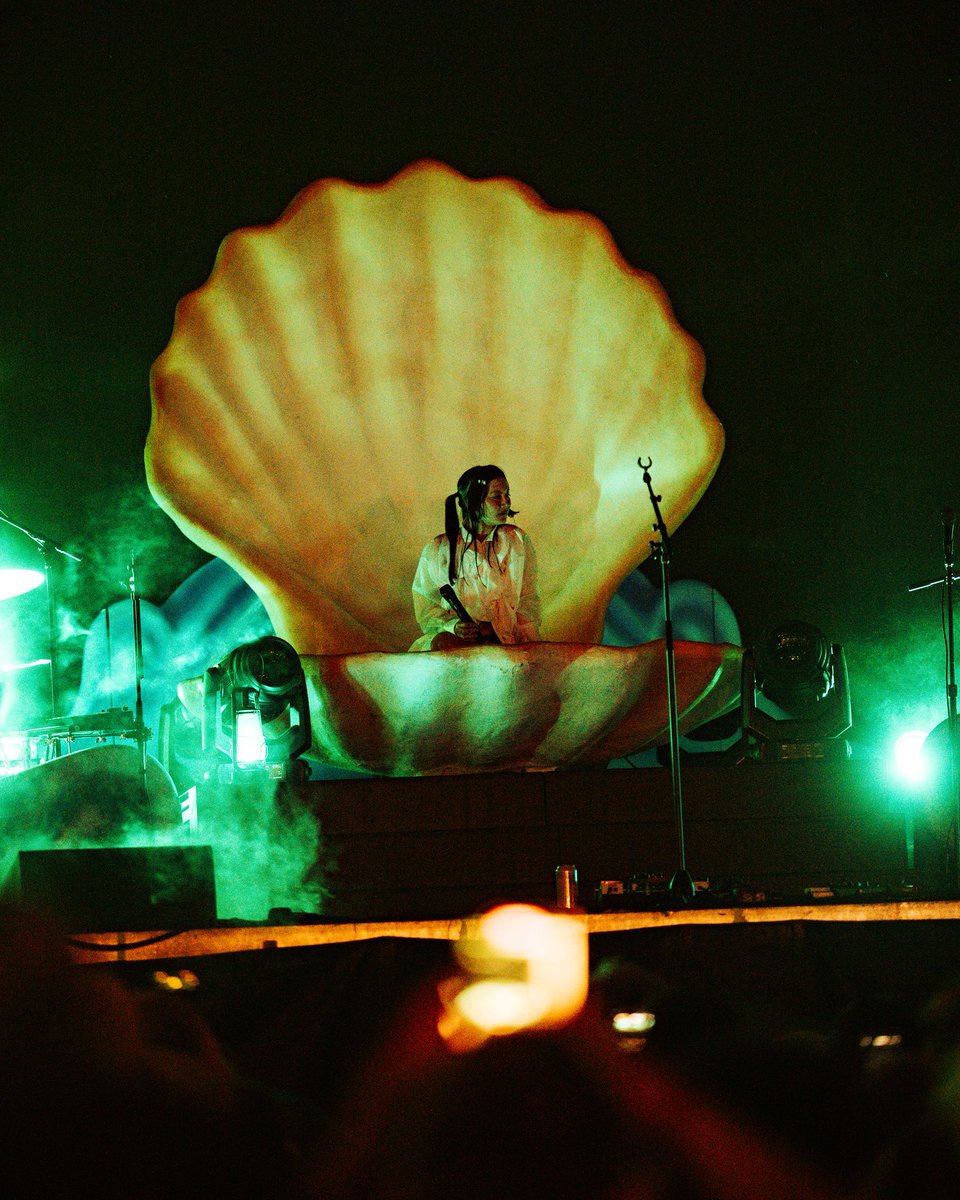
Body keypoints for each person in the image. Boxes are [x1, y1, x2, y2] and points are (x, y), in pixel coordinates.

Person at [410, 465, 541, 651]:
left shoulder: (516, 541)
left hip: (505, 643)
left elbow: (528, 601)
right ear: (474, 501)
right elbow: (426, 607)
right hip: (457, 646)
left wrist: (508, 633)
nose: (506, 502)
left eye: (507, 495)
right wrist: (454, 626)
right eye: (496, 496)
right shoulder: (439, 550)